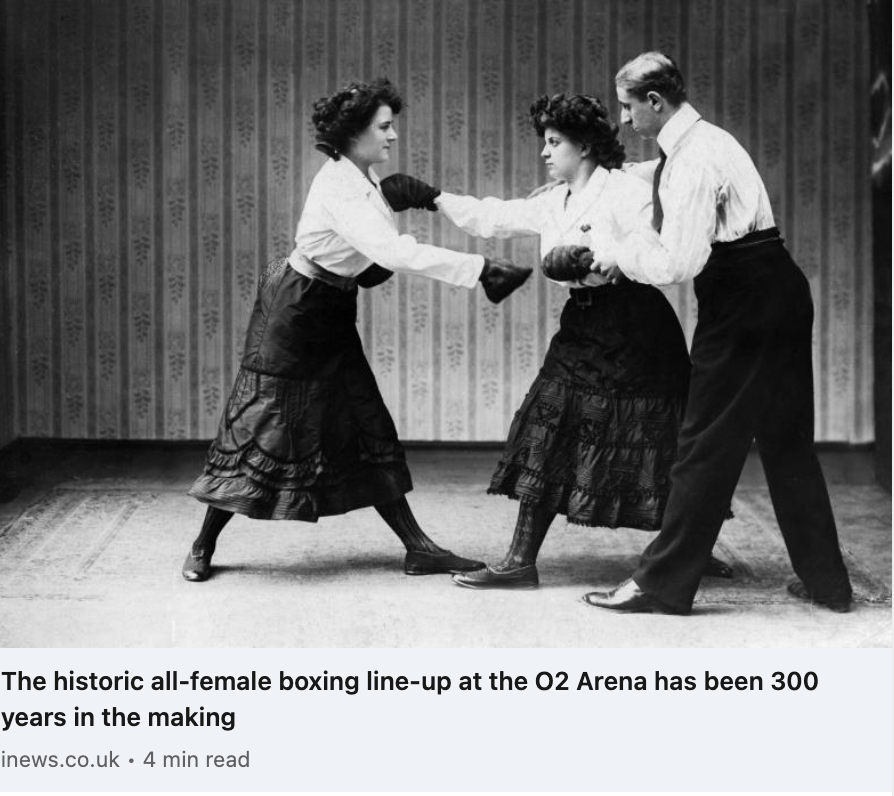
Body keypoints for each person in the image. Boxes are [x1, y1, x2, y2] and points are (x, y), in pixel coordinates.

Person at [183, 78, 532, 582]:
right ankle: (202, 544)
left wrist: (399, 199)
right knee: (263, 425)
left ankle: (419, 548)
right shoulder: (338, 187)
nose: (393, 136)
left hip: (331, 306)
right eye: (384, 127)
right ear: (353, 133)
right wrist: (481, 269)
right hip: (295, 310)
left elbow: (365, 261)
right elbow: (388, 252)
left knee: (366, 419)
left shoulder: (361, 178)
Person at [381, 93, 732, 589]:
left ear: (583, 146)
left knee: (662, 438)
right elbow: (493, 217)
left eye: (554, 142)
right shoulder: (553, 199)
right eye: (544, 142)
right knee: (550, 428)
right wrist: (432, 197)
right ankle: (520, 561)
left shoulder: (624, 190)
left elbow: (651, 243)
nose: (545, 152)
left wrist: (593, 256)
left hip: (637, 324)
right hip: (583, 324)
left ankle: (690, 548)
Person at [578, 52, 852, 614]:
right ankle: (829, 584)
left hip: (742, 301)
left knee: (703, 440)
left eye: (628, 107)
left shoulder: (693, 160)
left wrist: (619, 254)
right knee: (787, 442)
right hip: (778, 289)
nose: (624, 119)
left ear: (655, 101)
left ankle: (660, 585)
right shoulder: (705, 141)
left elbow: (677, 263)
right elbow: (654, 179)